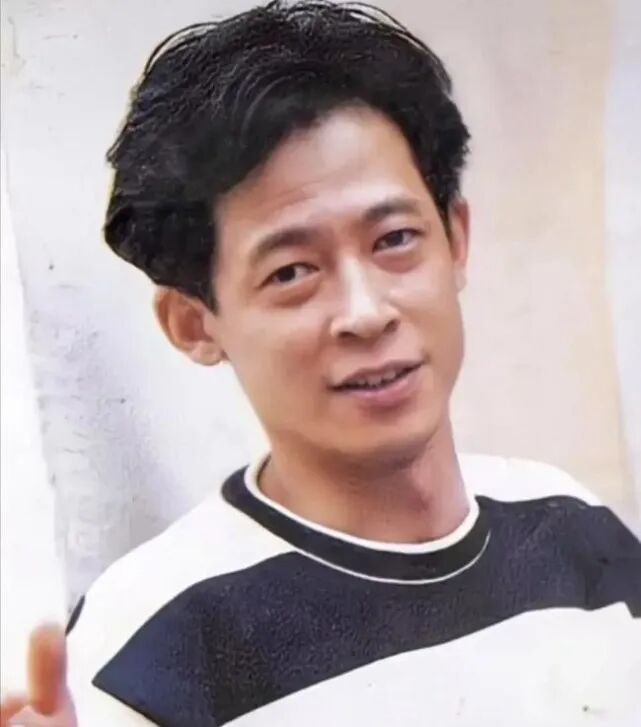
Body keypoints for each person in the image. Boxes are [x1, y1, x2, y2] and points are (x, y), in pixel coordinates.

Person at [2, 2, 640, 725]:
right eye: (291, 272)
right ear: (194, 323)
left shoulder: (570, 527)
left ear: (455, 238)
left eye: (394, 238)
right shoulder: (147, 652)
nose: (365, 312)